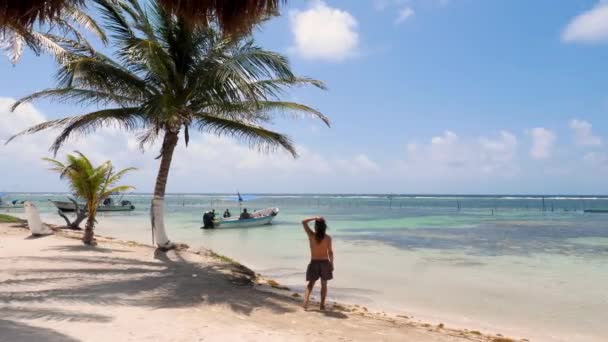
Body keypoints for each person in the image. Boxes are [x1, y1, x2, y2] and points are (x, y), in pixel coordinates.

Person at [301, 216, 333, 311]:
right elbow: (330, 252)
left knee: (310, 284)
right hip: (325, 263)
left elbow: (303, 222)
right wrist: (332, 264)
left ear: (316, 226)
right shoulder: (327, 238)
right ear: (324, 227)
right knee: (324, 285)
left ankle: (305, 303)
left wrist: (315, 217)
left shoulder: (311, 235)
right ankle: (322, 305)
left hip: (314, 262)